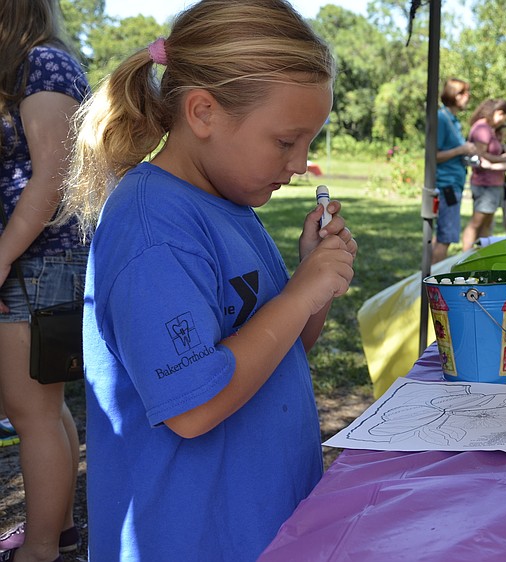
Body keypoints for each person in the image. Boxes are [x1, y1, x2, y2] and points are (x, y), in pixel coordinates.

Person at [60, 0, 357, 559]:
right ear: (203, 113)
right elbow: (192, 409)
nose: (300, 164)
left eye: (309, 142)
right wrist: (298, 294)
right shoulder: (152, 230)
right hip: (189, 538)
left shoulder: (228, 205)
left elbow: (281, 351)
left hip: (259, 528)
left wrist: (314, 291)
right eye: (285, 141)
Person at [0, 1, 87, 560]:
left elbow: (53, 175)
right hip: (34, 261)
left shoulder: (44, 65)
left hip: (39, 261)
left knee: (31, 413)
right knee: (46, 408)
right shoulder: (27, 66)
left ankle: (41, 550)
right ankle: (57, 532)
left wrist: (2, 255)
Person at [462, 99, 506, 251]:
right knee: (476, 223)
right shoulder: (482, 128)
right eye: (504, 117)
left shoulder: (489, 129)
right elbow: (482, 155)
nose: (503, 121)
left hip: (493, 183)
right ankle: (463, 257)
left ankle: (480, 256)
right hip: (485, 183)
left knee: (486, 224)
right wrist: (505, 159)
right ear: (498, 113)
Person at [433, 78, 476, 264]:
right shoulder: (442, 118)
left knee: (441, 235)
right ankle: (431, 283)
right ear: (455, 95)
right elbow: (433, 155)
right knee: (446, 237)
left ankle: (428, 277)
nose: (468, 97)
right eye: (465, 93)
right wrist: (462, 150)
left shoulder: (454, 120)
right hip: (447, 185)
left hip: (453, 183)